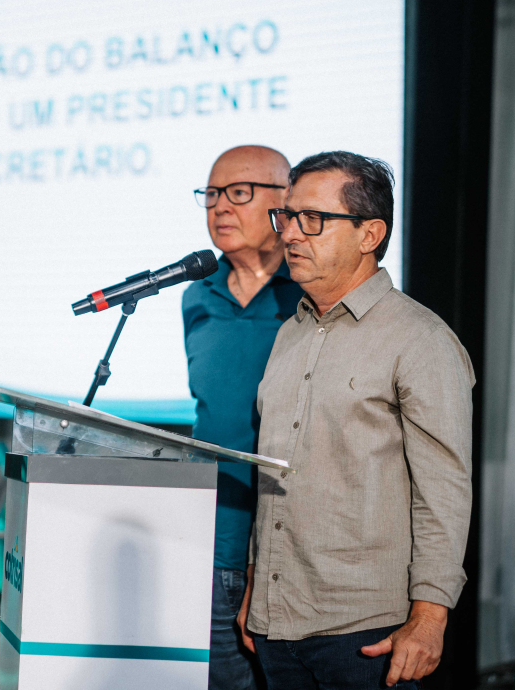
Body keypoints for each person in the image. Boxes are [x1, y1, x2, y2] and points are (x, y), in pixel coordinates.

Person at [236, 151, 474, 689]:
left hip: (366, 632)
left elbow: (444, 492)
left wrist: (430, 617)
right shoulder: (289, 333)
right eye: (287, 216)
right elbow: (271, 472)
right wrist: (257, 583)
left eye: (312, 219)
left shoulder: (421, 339)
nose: (289, 234)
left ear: (370, 234)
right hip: (276, 620)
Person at [183, 145, 305, 690]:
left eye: (238, 192)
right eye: (211, 194)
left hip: (290, 550)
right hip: (212, 541)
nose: (220, 207)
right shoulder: (196, 296)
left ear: (285, 202)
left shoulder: (312, 294)